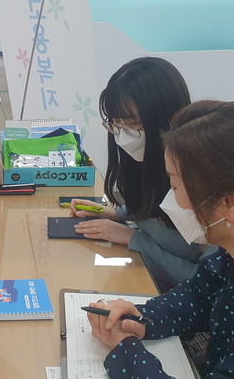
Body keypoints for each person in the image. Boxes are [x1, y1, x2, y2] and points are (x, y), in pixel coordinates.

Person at [86, 100, 234, 377]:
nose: (171, 200)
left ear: (229, 203)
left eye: (175, 185)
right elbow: (200, 296)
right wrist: (143, 318)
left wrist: (124, 350)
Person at [69, 57, 208, 291]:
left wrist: (133, 239)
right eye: (116, 122)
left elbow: (208, 282)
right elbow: (156, 213)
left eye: (133, 123)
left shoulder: (201, 178)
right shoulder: (143, 162)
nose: (123, 134)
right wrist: (117, 213)